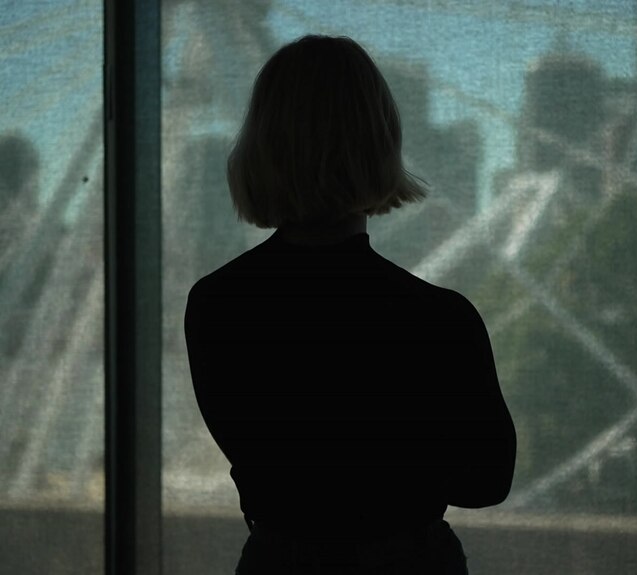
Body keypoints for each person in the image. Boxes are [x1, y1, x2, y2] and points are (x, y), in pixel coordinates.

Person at [183, 34, 517, 574]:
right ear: (382, 144)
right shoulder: (437, 317)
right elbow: (486, 481)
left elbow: (262, 458)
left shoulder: (218, 305)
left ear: (261, 145)